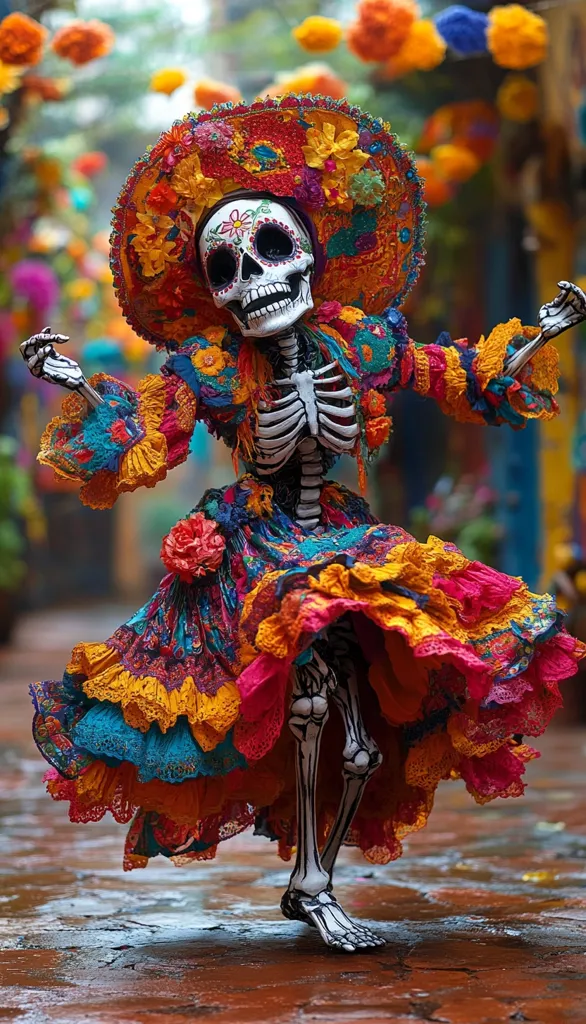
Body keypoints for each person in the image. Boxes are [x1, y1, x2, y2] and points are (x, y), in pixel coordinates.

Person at [21, 95, 586, 952]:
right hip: (259, 542)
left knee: (362, 728)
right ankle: (311, 884)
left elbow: (456, 374)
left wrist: (536, 338)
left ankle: (314, 880)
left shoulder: (357, 341)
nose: (255, 280)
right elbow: (146, 425)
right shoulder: (214, 365)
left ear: (313, 256)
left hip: (345, 537)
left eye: (272, 250)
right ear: (212, 290)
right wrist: (78, 386)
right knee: (312, 700)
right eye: (229, 267)